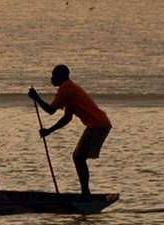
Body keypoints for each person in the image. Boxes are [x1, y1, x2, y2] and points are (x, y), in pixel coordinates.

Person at [29, 64, 112, 196]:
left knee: (79, 157)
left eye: (54, 75)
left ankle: (86, 193)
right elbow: (67, 118)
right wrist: (49, 131)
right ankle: (86, 192)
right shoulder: (69, 89)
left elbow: (50, 110)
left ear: (61, 76)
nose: (51, 78)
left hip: (98, 125)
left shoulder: (66, 88)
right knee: (79, 157)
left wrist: (37, 98)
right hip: (99, 124)